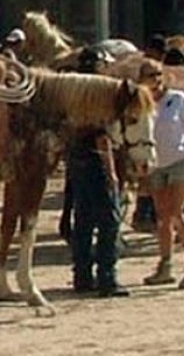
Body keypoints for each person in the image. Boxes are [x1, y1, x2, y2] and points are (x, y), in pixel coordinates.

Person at [138, 58, 184, 290]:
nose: (156, 80)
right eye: (150, 75)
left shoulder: (178, 99)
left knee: (176, 212)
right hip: (157, 163)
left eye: (158, 74)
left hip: (181, 160)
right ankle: (166, 264)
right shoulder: (142, 103)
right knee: (163, 217)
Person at [68, 125, 128, 297]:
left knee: (83, 222)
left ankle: (82, 275)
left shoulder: (79, 111)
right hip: (97, 167)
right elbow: (103, 140)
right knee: (109, 223)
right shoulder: (100, 110)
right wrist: (112, 173)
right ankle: (107, 278)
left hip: (78, 163)